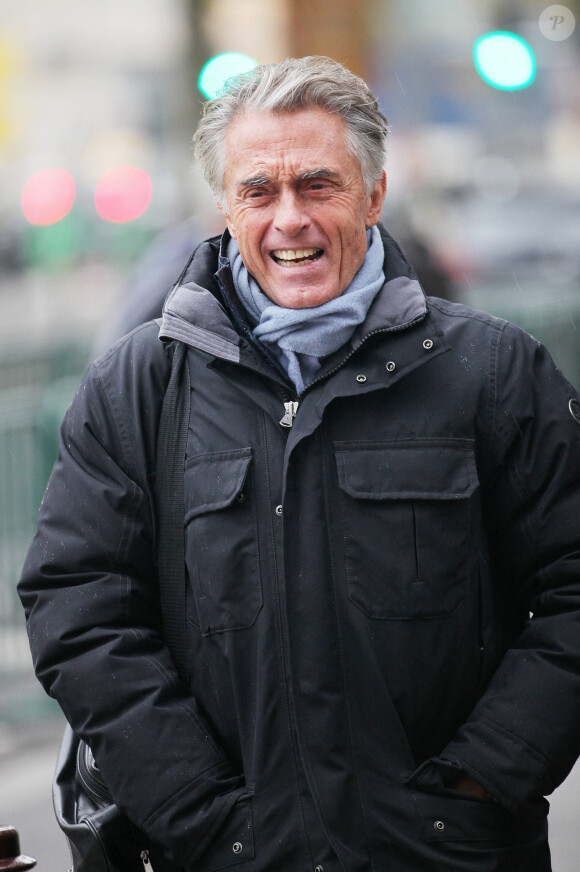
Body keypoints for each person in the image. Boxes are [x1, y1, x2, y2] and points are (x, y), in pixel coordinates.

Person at [18, 56, 580, 872]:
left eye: (319, 186)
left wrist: (483, 783)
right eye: (258, 191)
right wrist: (201, 814)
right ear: (224, 205)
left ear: (375, 195)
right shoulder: (138, 387)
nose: (290, 219)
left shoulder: (496, 374)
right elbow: (80, 608)